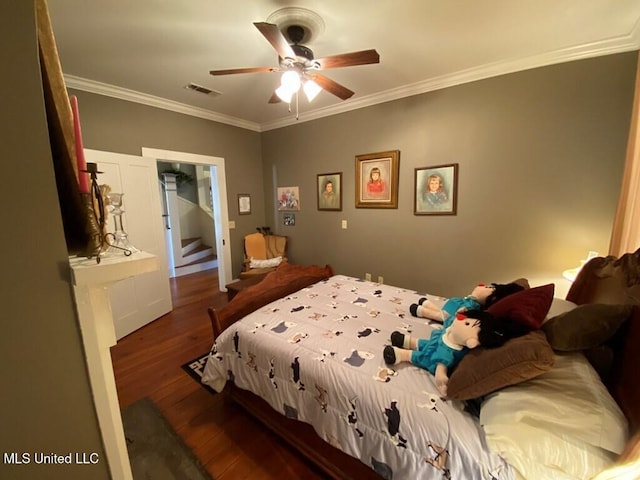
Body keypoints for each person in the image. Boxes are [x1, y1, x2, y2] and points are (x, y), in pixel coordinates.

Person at [383, 309, 529, 396]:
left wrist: (441, 377)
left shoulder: (450, 350)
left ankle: (402, 354)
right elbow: (449, 320)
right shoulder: (452, 332)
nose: (460, 319)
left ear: (472, 342)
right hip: (435, 343)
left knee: (421, 355)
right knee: (425, 343)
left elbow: (441, 366)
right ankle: (408, 341)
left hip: (432, 357)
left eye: (466, 322)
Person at [410, 282, 524, 323]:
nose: (483, 286)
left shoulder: (473, 307)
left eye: (489, 287)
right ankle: (427, 305)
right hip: (454, 305)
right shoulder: (470, 301)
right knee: (442, 311)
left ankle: (422, 311)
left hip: (452, 315)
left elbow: (455, 316)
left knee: (443, 315)